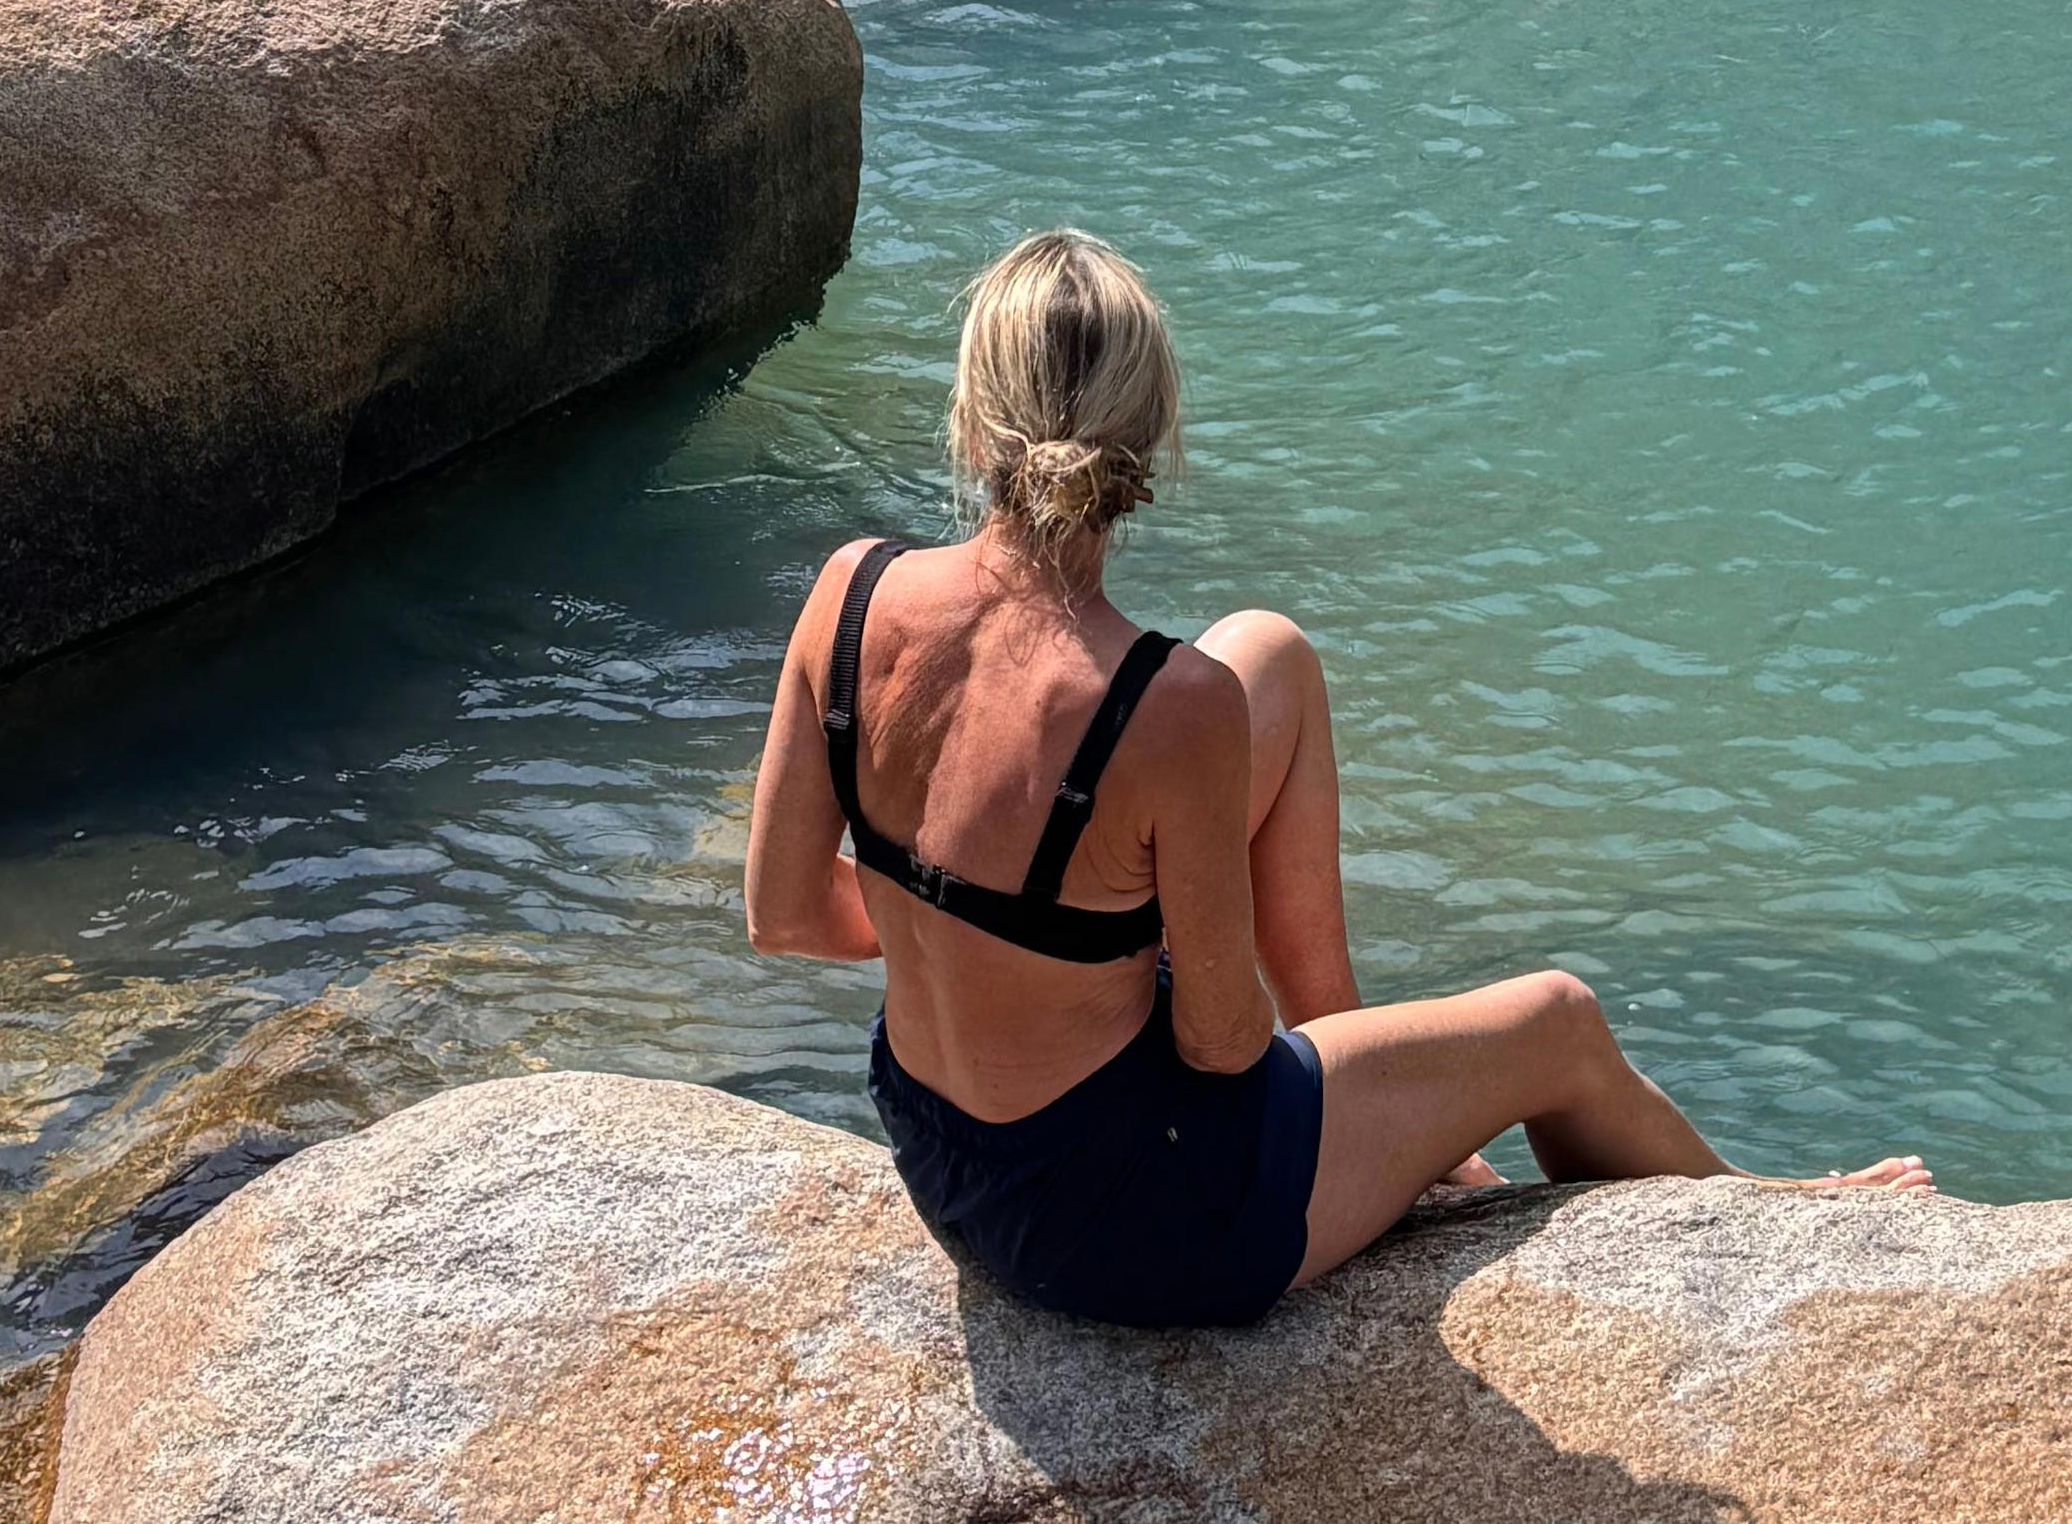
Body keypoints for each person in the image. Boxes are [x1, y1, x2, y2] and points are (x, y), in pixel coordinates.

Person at [744, 227, 1931, 1329]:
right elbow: (1217, 1045)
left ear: (969, 417)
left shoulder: (850, 595)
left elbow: (786, 914)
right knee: (1558, 1021)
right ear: (1150, 436)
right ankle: (1767, 1223)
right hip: (1129, 1228)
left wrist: (997, 946)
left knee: (1270, 649)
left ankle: (1363, 1064)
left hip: (943, 1162)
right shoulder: (1165, 707)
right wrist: (1108, 953)